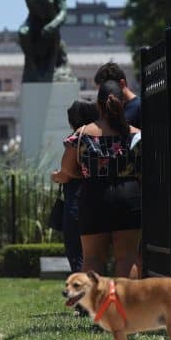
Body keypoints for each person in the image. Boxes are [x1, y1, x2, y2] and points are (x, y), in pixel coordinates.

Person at [52, 81, 142, 279]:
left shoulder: (82, 134)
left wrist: (76, 174)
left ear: (98, 106)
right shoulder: (136, 134)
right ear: (122, 104)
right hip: (129, 195)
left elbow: (67, 171)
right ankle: (126, 307)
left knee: (92, 258)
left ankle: (95, 307)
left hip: (93, 196)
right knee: (127, 257)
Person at [61, 100, 99, 273]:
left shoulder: (76, 139)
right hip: (98, 198)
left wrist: (56, 176)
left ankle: (83, 294)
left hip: (77, 200)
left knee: (78, 254)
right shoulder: (103, 136)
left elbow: (66, 172)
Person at [94, 62, 141, 128]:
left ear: (122, 84)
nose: (103, 94)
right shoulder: (108, 108)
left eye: (106, 89)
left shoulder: (139, 107)